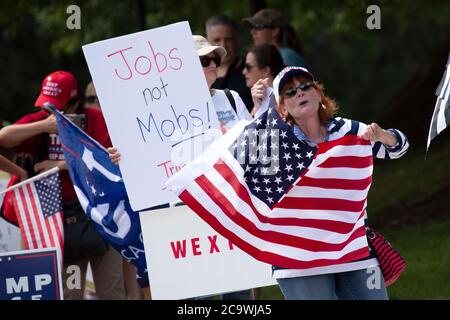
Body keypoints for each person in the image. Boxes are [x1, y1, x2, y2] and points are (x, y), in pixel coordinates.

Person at [250, 66, 409, 300]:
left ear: (318, 94)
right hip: (297, 257)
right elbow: (252, 172)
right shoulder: (275, 140)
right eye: (290, 92)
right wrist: (258, 109)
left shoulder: (347, 131)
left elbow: (399, 148)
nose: (300, 93)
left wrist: (384, 135)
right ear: (282, 107)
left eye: (305, 87)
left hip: (353, 251)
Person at [0, 71, 126, 300]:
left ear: (75, 102)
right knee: (71, 293)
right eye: (48, 106)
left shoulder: (94, 118)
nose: (51, 111)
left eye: (58, 107)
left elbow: (107, 159)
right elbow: (4, 137)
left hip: (101, 216)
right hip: (63, 224)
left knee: (112, 290)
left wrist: (60, 165)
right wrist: (44, 126)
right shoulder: (42, 121)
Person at [206, 14, 253, 112]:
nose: (223, 45)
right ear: (207, 41)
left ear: (237, 40)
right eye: (217, 40)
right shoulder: (200, 74)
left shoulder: (251, 70)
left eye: (228, 40)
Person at [243, 9, 307, 68]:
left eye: (258, 26)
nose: (252, 32)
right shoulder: (275, 56)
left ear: (275, 31)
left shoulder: (287, 57)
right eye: (252, 27)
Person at [242, 44, 284, 117]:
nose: (244, 71)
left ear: (266, 70)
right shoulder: (260, 98)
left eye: (248, 67)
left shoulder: (282, 99)